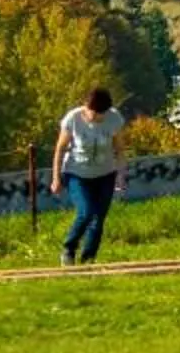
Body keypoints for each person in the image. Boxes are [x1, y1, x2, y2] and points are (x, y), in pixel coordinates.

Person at [52, 85, 126, 265]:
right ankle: (69, 248)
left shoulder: (114, 119)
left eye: (102, 113)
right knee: (86, 212)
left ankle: (88, 258)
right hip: (77, 174)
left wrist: (120, 176)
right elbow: (60, 149)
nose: (98, 117)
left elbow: (120, 150)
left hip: (105, 174)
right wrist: (56, 178)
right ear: (86, 106)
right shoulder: (73, 119)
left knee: (98, 218)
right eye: (94, 113)